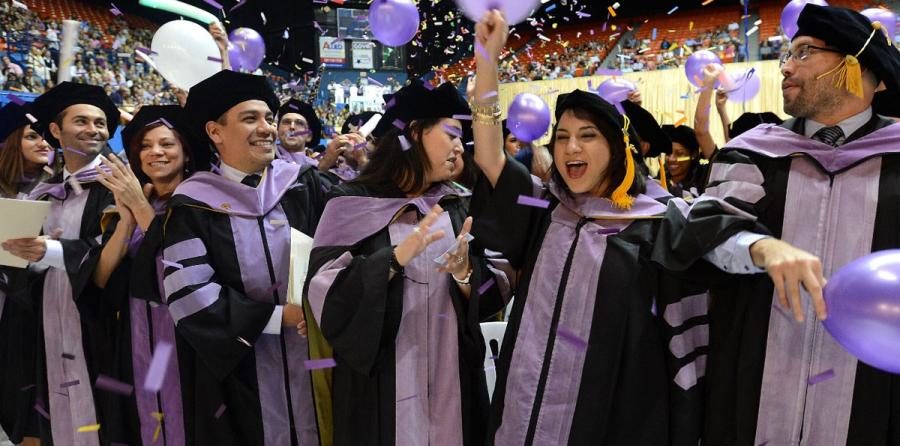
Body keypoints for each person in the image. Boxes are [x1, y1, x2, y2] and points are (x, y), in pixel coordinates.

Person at [467, 11, 812, 445]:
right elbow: (490, 157)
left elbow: (713, 241)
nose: (571, 147)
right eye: (563, 136)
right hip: (526, 401)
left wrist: (766, 248)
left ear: (617, 149)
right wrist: (487, 59)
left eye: (588, 135)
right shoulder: (544, 209)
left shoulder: (654, 219)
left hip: (615, 413)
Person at [693, 5, 900, 444]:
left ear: (852, 66)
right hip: (756, 378)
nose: (786, 67)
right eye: (789, 54)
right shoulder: (754, 152)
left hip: (872, 391)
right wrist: (760, 247)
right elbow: (708, 229)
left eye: (804, 52)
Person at [304, 80, 510, 446]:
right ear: (415, 133)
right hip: (380, 383)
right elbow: (323, 294)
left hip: (453, 376)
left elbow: (499, 287)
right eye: (451, 134)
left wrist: (466, 274)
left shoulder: (459, 204)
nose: (459, 147)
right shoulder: (349, 204)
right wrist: (393, 259)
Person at [161, 70, 327, 446]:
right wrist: (277, 317)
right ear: (215, 132)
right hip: (241, 378)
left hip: (314, 358)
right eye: (251, 118)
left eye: (269, 117)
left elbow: (339, 254)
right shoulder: (193, 205)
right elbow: (189, 296)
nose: (267, 128)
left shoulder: (303, 184)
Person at [2, 82, 125, 446]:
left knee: (107, 418)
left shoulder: (119, 186)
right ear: (55, 130)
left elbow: (116, 252)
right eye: (81, 121)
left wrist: (51, 252)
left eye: (100, 123)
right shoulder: (43, 192)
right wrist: (24, 258)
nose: (94, 129)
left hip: (100, 323)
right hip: (47, 322)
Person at [91, 105, 204, 446]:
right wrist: (126, 222)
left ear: (186, 152)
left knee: (187, 417)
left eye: (167, 143)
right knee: (149, 418)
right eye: (145, 145)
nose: (155, 152)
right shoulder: (133, 204)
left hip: (188, 337)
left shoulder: (202, 204)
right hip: (139, 335)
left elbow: (177, 267)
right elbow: (101, 279)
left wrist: (140, 208)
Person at [0, 101, 55, 446]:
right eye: (32, 136)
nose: (44, 143)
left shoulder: (65, 187)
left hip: (43, 307)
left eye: (47, 135)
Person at [275, 99, 323, 167]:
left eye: (299, 123)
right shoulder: (265, 161)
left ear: (309, 136)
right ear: (278, 130)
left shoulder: (317, 168)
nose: (292, 127)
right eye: (286, 122)